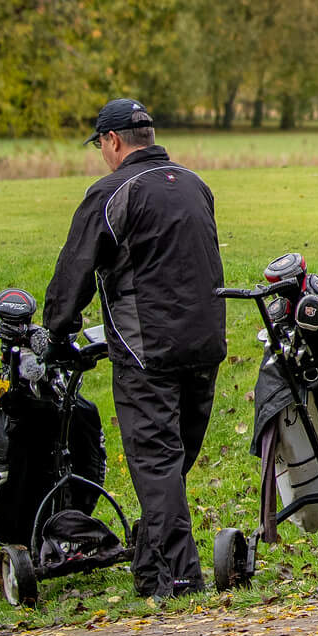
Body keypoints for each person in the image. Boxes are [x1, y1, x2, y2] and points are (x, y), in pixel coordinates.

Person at [44, 99, 226, 598]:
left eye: (101, 145)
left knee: (157, 461)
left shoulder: (110, 192)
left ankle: (181, 579)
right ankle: (149, 570)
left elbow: (75, 271)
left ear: (113, 141)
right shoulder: (195, 185)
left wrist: (54, 332)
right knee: (173, 461)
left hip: (146, 351)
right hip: (207, 343)